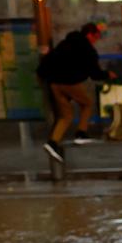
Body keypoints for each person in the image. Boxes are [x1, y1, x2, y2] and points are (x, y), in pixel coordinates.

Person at [37, 21, 114, 162]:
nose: (96, 40)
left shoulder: (65, 43)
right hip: (70, 82)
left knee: (66, 115)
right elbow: (95, 74)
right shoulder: (88, 49)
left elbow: (48, 60)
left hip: (54, 83)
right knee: (88, 103)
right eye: (96, 37)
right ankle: (81, 133)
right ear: (89, 35)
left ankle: (52, 143)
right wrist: (108, 75)